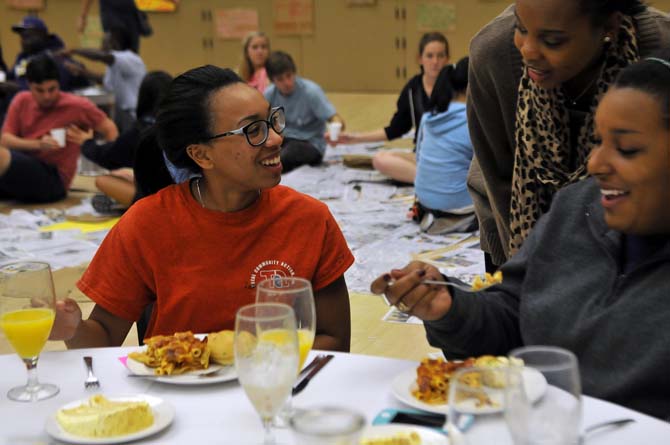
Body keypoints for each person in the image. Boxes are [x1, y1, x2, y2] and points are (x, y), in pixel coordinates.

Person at [370, 55, 670, 420]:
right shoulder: (576, 209)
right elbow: (515, 313)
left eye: (626, 149)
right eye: (598, 141)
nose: (595, 164)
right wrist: (451, 308)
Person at [50, 65, 354, 353]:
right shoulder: (147, 224)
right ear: (201, 155)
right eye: (253, 130)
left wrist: (252, 366)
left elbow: (335, 339)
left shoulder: (308, 219)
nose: (276, 138)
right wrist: (72, 328)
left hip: (274, 392)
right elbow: (103, 336)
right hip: (177, 397)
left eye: (273, 121)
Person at [467, 0, 670, 269]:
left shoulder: (659, 51)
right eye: (521, 28)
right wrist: (525, 280)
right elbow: (500, 183)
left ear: (608, 26)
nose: (528, 51)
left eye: (552, 41)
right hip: (516, 230)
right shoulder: (495, 55)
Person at [331, 32, 449, 184]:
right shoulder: (412, 89)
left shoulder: (456, 86)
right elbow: (395, 129)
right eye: (430, 56)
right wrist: (352, 139)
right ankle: (435, 182)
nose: (435, 61)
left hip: (450, 156)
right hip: (423, 156)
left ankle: (433, 180)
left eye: (440, 56)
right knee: (380, 159)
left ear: (447, 58)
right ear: (420, 58)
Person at [0, 55, 117, 203]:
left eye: (52, 89)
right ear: (29, 86)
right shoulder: (22, 100)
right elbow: (5, 140)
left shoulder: (77, 105)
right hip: (21, 169)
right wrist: (38, 144)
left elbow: (109, 128)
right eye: (40, 90)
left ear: (59, 84)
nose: (47, 96)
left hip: (55, 178)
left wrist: (111, 168)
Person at [67, 70, 172, 210]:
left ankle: (127, 206)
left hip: (158, 203)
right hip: (182, 194)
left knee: (103, 180)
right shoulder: (183, 128)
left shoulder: (141, 131)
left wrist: (87, 143)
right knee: (125, 174)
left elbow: (108, 156)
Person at [413, 57, 475, 234]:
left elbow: (418, 158)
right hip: (458, 204)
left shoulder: (428, 116)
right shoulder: (473, 120)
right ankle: (461, 219)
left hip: (424, 202)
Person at [264, 51, 345, 173]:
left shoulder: (311, 92)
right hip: (284, 139)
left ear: (294, 73)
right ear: (272, 81)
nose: (287, 82)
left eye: (289, 76)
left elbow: (336, 119)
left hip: (311, 143)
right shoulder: (269, 94)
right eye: (280, 79)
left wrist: (335, 131)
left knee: (287, 155)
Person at [64, 26, 147, 133]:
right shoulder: (115, 64)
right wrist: (81, 72)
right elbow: (105, 80)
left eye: (104, 42)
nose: (101, 46)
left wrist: (75, 50)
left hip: (131, 114)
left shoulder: (128, 58)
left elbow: (103, 56)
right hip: (120, 113)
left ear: (114, 42)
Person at [8, 16, 90, 92]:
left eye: (28, 36)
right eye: (22, 37)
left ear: (42, 35)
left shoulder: (56, 57)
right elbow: (11, 76)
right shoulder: (23, 57)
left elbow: (50, 89)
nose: (23, 41)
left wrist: (11, 87)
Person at [78, 0, 147, 53]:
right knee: (114, 52)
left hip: (131, 19)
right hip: (113, 19)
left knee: (132, 55)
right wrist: (83, 16)